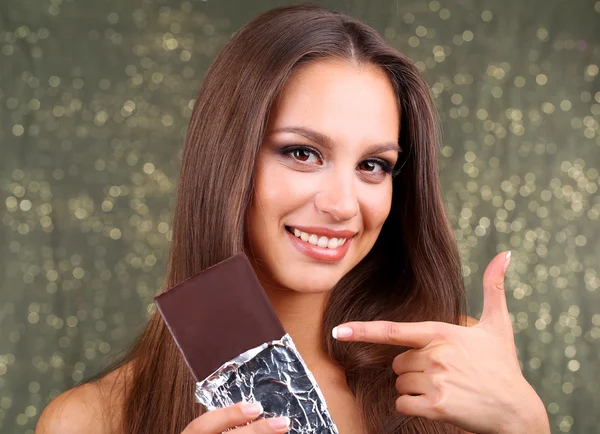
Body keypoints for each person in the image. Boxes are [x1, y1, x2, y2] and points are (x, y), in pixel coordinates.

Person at [35, 4, 550, 434]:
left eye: (373, 165)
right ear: (226, 159)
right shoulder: (90, 419)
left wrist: (525, 423)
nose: (343, 205)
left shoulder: (450, 366)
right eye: (302, 153)